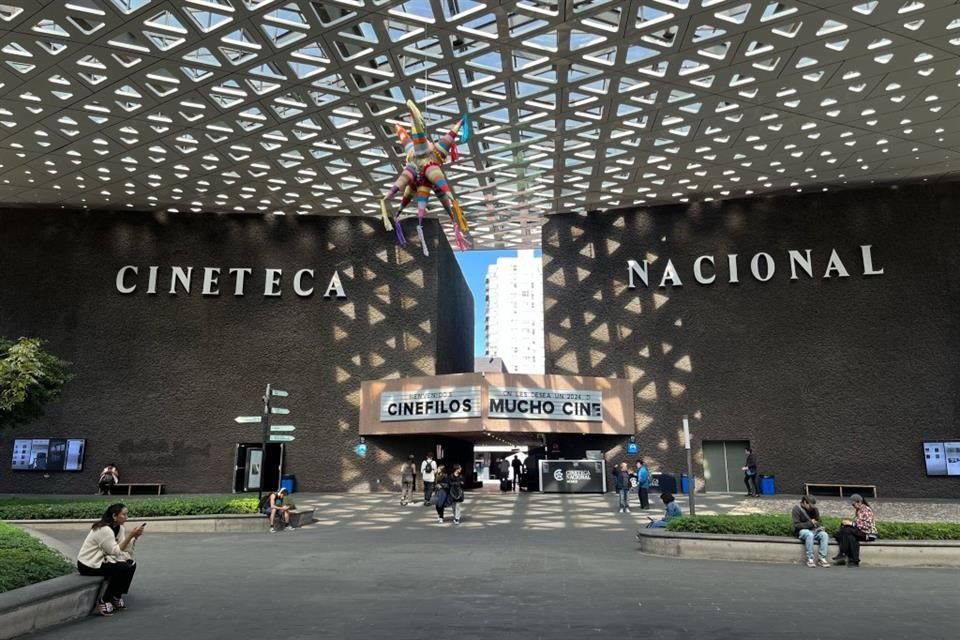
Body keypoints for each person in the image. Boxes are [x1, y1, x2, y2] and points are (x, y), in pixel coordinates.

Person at [76, 503, 144, 616]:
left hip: (104, 560)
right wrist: (130, 536)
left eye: (127, 514)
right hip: (88, 564)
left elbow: (124, 548)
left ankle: (116, 596)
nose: (127, 517)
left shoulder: (120, 528)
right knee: (122, 568)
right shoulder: (104, 529)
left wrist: (134, 537)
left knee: (131, 564)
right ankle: (104, 600)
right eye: (124, 514)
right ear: (114, 516)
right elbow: (115, 551)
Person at [834, 494, 877, 566]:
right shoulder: (858, 510)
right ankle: (854, 560)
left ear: (859, 502)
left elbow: (866, 526)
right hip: (859, 532)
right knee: (851, 537)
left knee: (846, 531)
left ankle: (843, 553)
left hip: (868, 533)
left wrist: (852, 524)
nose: (853, 506)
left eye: (854, 505)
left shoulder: (866, 510)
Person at [792, 495, 830, 567]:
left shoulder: (814, 509)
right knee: (809, 534)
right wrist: (810, 523)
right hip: (802, 531)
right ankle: (810, 559)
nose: (811, 509)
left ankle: (822, 558)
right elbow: (796, 525)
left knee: (824, 535)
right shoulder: (797, 509)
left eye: (813, 506)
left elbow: (818, 521)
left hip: (814, 530)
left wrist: (820, 527)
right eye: (810, 506)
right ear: (805, 502)